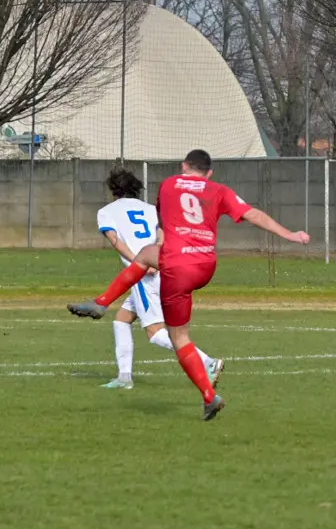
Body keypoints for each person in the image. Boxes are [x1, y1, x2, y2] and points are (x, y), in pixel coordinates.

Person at [68, 149, 309, 420]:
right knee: (148, 254)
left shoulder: (169, 184)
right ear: (209, 173)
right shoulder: (219, 189)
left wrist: (164, 243)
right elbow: (253, 214)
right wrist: (290, 234)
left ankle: (209, 394)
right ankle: (102, 304)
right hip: (205, 266)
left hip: (176, 267)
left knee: (178, 337)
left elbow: (162, 224)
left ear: (184, 166)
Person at [94, 167, 222, 390]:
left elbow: (115, 240)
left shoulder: (106, 211)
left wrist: (140, 261)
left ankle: (209, 362)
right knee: (121, 320)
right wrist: (157, 255)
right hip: (164, 267)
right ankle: (124, 377)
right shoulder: (151, 209)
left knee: (155, 332)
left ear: (113, 190)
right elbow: (164, 233)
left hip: (143, 277)